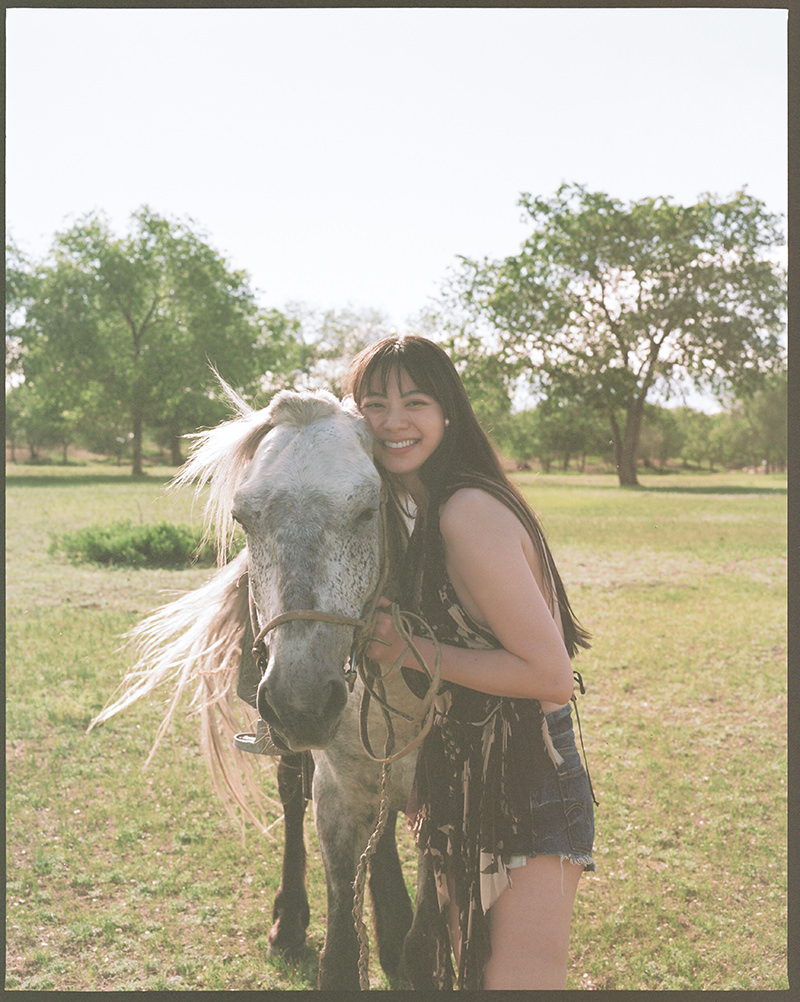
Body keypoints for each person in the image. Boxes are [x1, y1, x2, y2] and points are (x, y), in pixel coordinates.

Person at [346, 334, 596, 990]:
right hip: (468, 776)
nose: (394, 420)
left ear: (448, 412)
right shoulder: (424, 510)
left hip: (526, 780)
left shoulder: (466, 511)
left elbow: (550, 676)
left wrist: (412, 651)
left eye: (415, 401)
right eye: (374, 404)